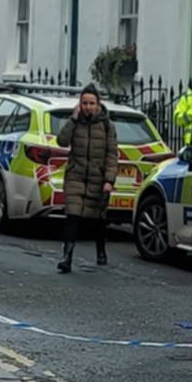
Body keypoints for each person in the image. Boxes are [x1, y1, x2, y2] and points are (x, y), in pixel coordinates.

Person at [56, 85, 120, 274]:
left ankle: (101, 250)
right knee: (72, 217)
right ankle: (66, 258)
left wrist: (109, 179)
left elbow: (111, 155)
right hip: (76, 175)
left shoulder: (107, 125)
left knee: (98, 219)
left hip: (97, 178)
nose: (88, 107)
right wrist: (73, 119)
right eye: (84, 103)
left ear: (98, 104)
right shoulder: (75, 122)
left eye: (91, 103)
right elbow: (61, 141)